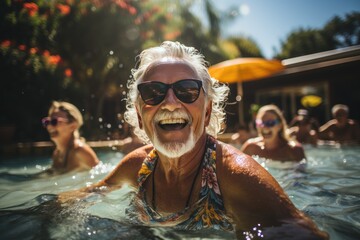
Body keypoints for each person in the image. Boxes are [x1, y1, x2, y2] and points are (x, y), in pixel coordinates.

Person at [60, 42, 327, 239]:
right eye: (153, 93)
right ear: (140, 117)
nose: (170, 103)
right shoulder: (137, 166)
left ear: (208, 110)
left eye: (187, 90)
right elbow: (81, 197)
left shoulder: (237, 178)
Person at [41, 101, 99, 174]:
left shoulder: (80, 151)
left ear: (72, 126)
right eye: (47, 122)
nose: (49, 126)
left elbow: (102, 176)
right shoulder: (57, 154)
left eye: (54, 121)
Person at [241, 104, 306, 162]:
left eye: (270, 123)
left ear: (280, 125)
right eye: (261, 123)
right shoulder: (250, 148)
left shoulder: (294, 150)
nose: (265, 127)